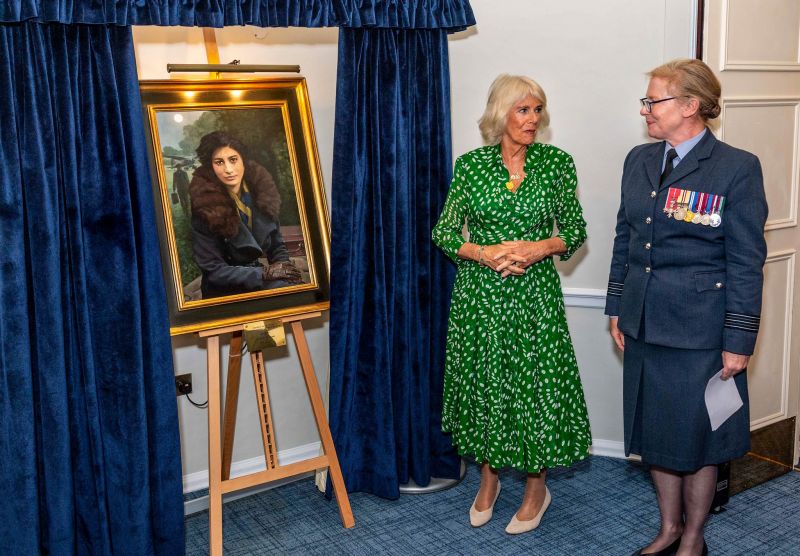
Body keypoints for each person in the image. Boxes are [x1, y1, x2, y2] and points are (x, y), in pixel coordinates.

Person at [605, 59, 768, 556]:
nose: (645, 110)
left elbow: (746, 261)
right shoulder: (638, 159)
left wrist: (738, 339)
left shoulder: (736, 167)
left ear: (691, 105)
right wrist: (617, 306)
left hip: (700, 331)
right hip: (644, 322)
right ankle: (669, 528)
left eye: (653, 101)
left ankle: (693, 537)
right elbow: (625, 238)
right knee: (656, 433)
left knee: (698, 438)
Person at [432, 74, 591, 535]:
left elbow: (575, 231)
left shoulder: (556, 164)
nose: (533, 119)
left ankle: (537, 487)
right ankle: (489, 479)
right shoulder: (471, 166)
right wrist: (484, 253)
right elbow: (444, 233)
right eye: (523, 110)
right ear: (500, 114)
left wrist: (538, 248)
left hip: (534, 296)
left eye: (538, 109)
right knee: (487, 383)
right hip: (480, 297)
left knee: (535, 388)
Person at [189, 130, 302, 298]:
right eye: (219, 162)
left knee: (297, 289)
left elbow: (277, 247)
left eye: (233, 160)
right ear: (211, 167)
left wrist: (285, 270)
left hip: (259, 278)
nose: (228, 169)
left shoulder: (263, 195)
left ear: (243, 161)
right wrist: (264, 273)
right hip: (225, 288)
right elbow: (213, 271)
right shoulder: (204, 208)